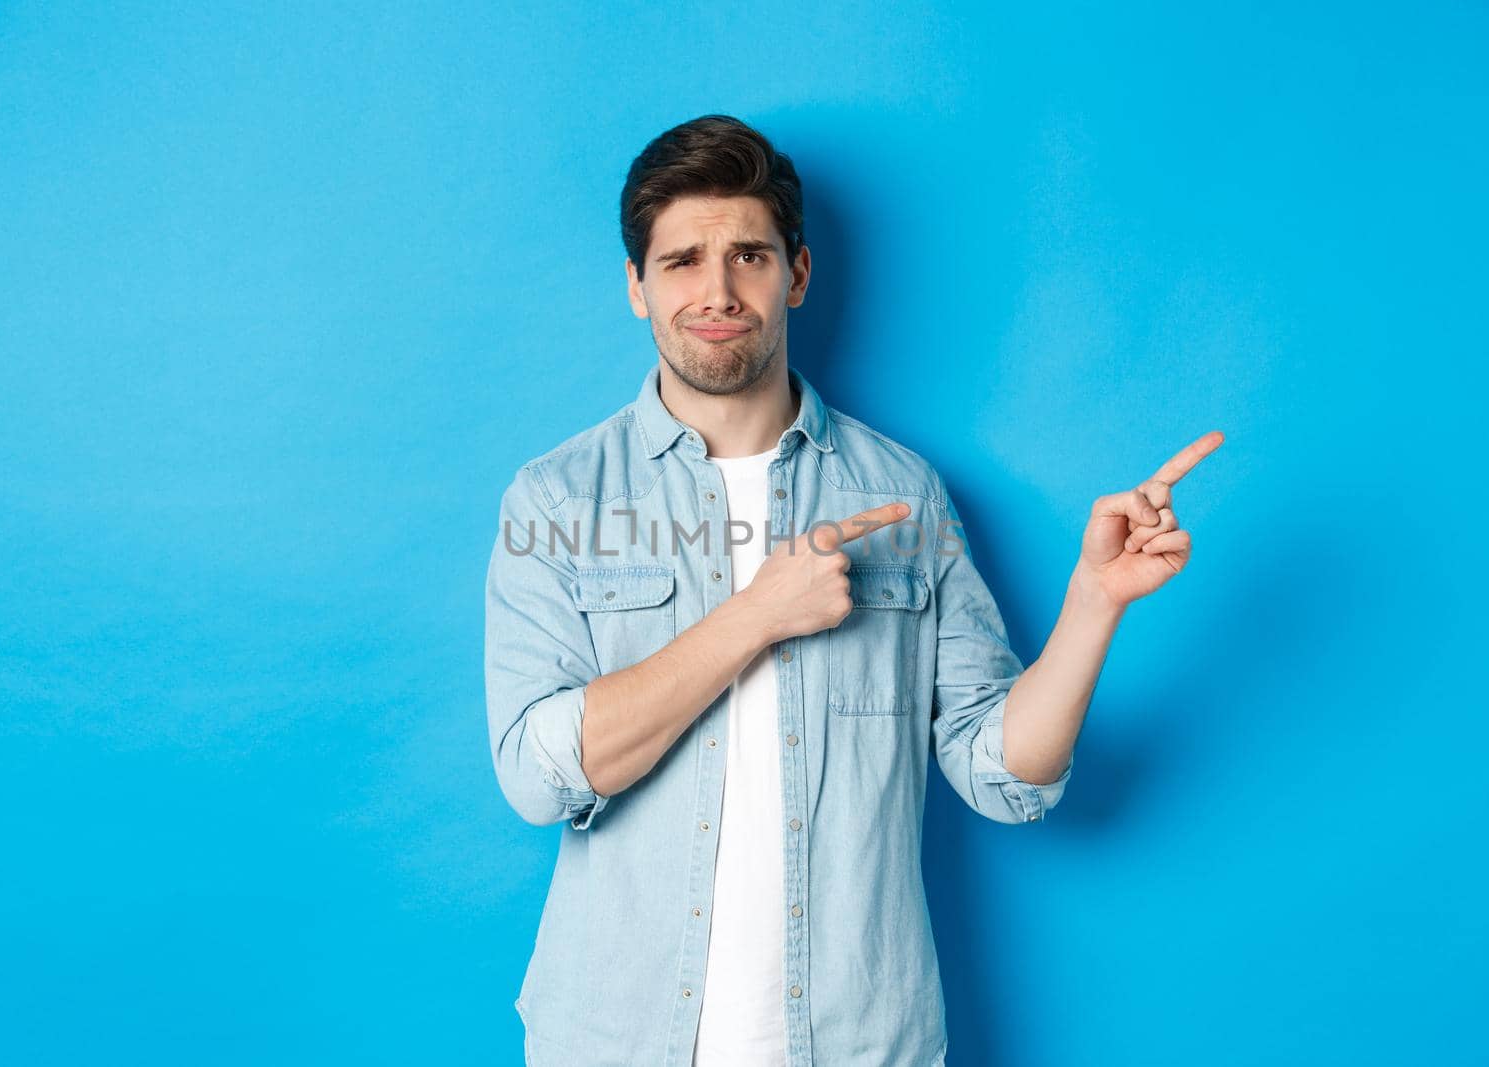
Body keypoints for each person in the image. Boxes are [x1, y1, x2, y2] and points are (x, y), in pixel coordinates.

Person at [483, 113, 1222, 1067]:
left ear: (795, 273)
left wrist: (1095, 600)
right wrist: (759, 613)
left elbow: (1004, 777)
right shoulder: (556, 499)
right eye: (681, 262)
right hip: (613, 1039)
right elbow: (539, 775)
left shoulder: (903, 494)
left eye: (748, 254)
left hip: (860, 1044)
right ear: (637, 287)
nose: (717, 290)